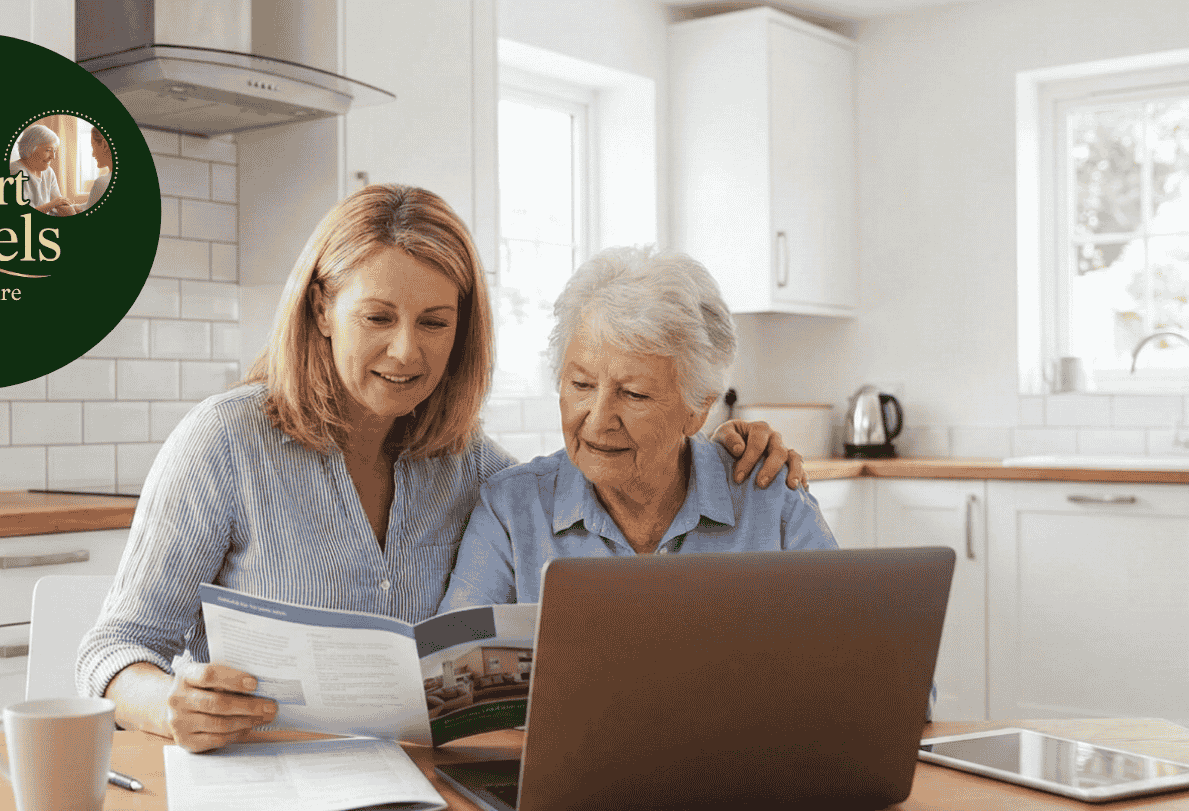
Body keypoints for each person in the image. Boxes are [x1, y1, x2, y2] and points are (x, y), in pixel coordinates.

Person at [75, 187, 806, 753]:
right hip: (268, 778)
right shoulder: (225, 442)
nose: (405, 351)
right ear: (324, 308)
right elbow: (113, 650)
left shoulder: (468, 464)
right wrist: (168, 703)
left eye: (433, 321)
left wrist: (716, 442)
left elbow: (588, 480)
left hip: (416, 783)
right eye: (377, 317)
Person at [440, 245, 837, 610]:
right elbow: (454, 665)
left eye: (633, 394)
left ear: (697, 410)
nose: (597, 420)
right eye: (581, 385)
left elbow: (845, 646)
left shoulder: (771, 500)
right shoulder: (511, 510)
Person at [9, 124, 74, 216]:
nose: (53, 157)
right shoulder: (16, 171)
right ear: (30, 149)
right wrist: (53, 204)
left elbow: (59, 203)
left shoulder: (48, 172)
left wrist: (72, 210)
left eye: (54, 150)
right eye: (48, 150)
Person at [75, 125, 111, 213]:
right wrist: (74, 207)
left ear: (104, 145)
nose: (93, 154)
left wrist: (68, 212)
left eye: (93, 146)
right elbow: (90, 204)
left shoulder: (102, 183)